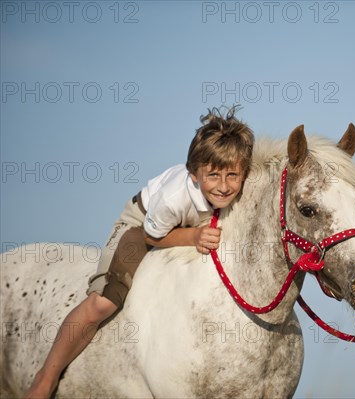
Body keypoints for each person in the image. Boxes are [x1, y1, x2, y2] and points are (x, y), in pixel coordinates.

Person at [25, 106, 255, 398]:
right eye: (213, 175)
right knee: (102, 303)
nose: (224, 187)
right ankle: (46, 377)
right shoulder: (174, 198)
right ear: (195, 175)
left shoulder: (235, 186)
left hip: (190, 228)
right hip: (143, 226)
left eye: (233, 175)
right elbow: (151, 235)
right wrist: (193, 236)